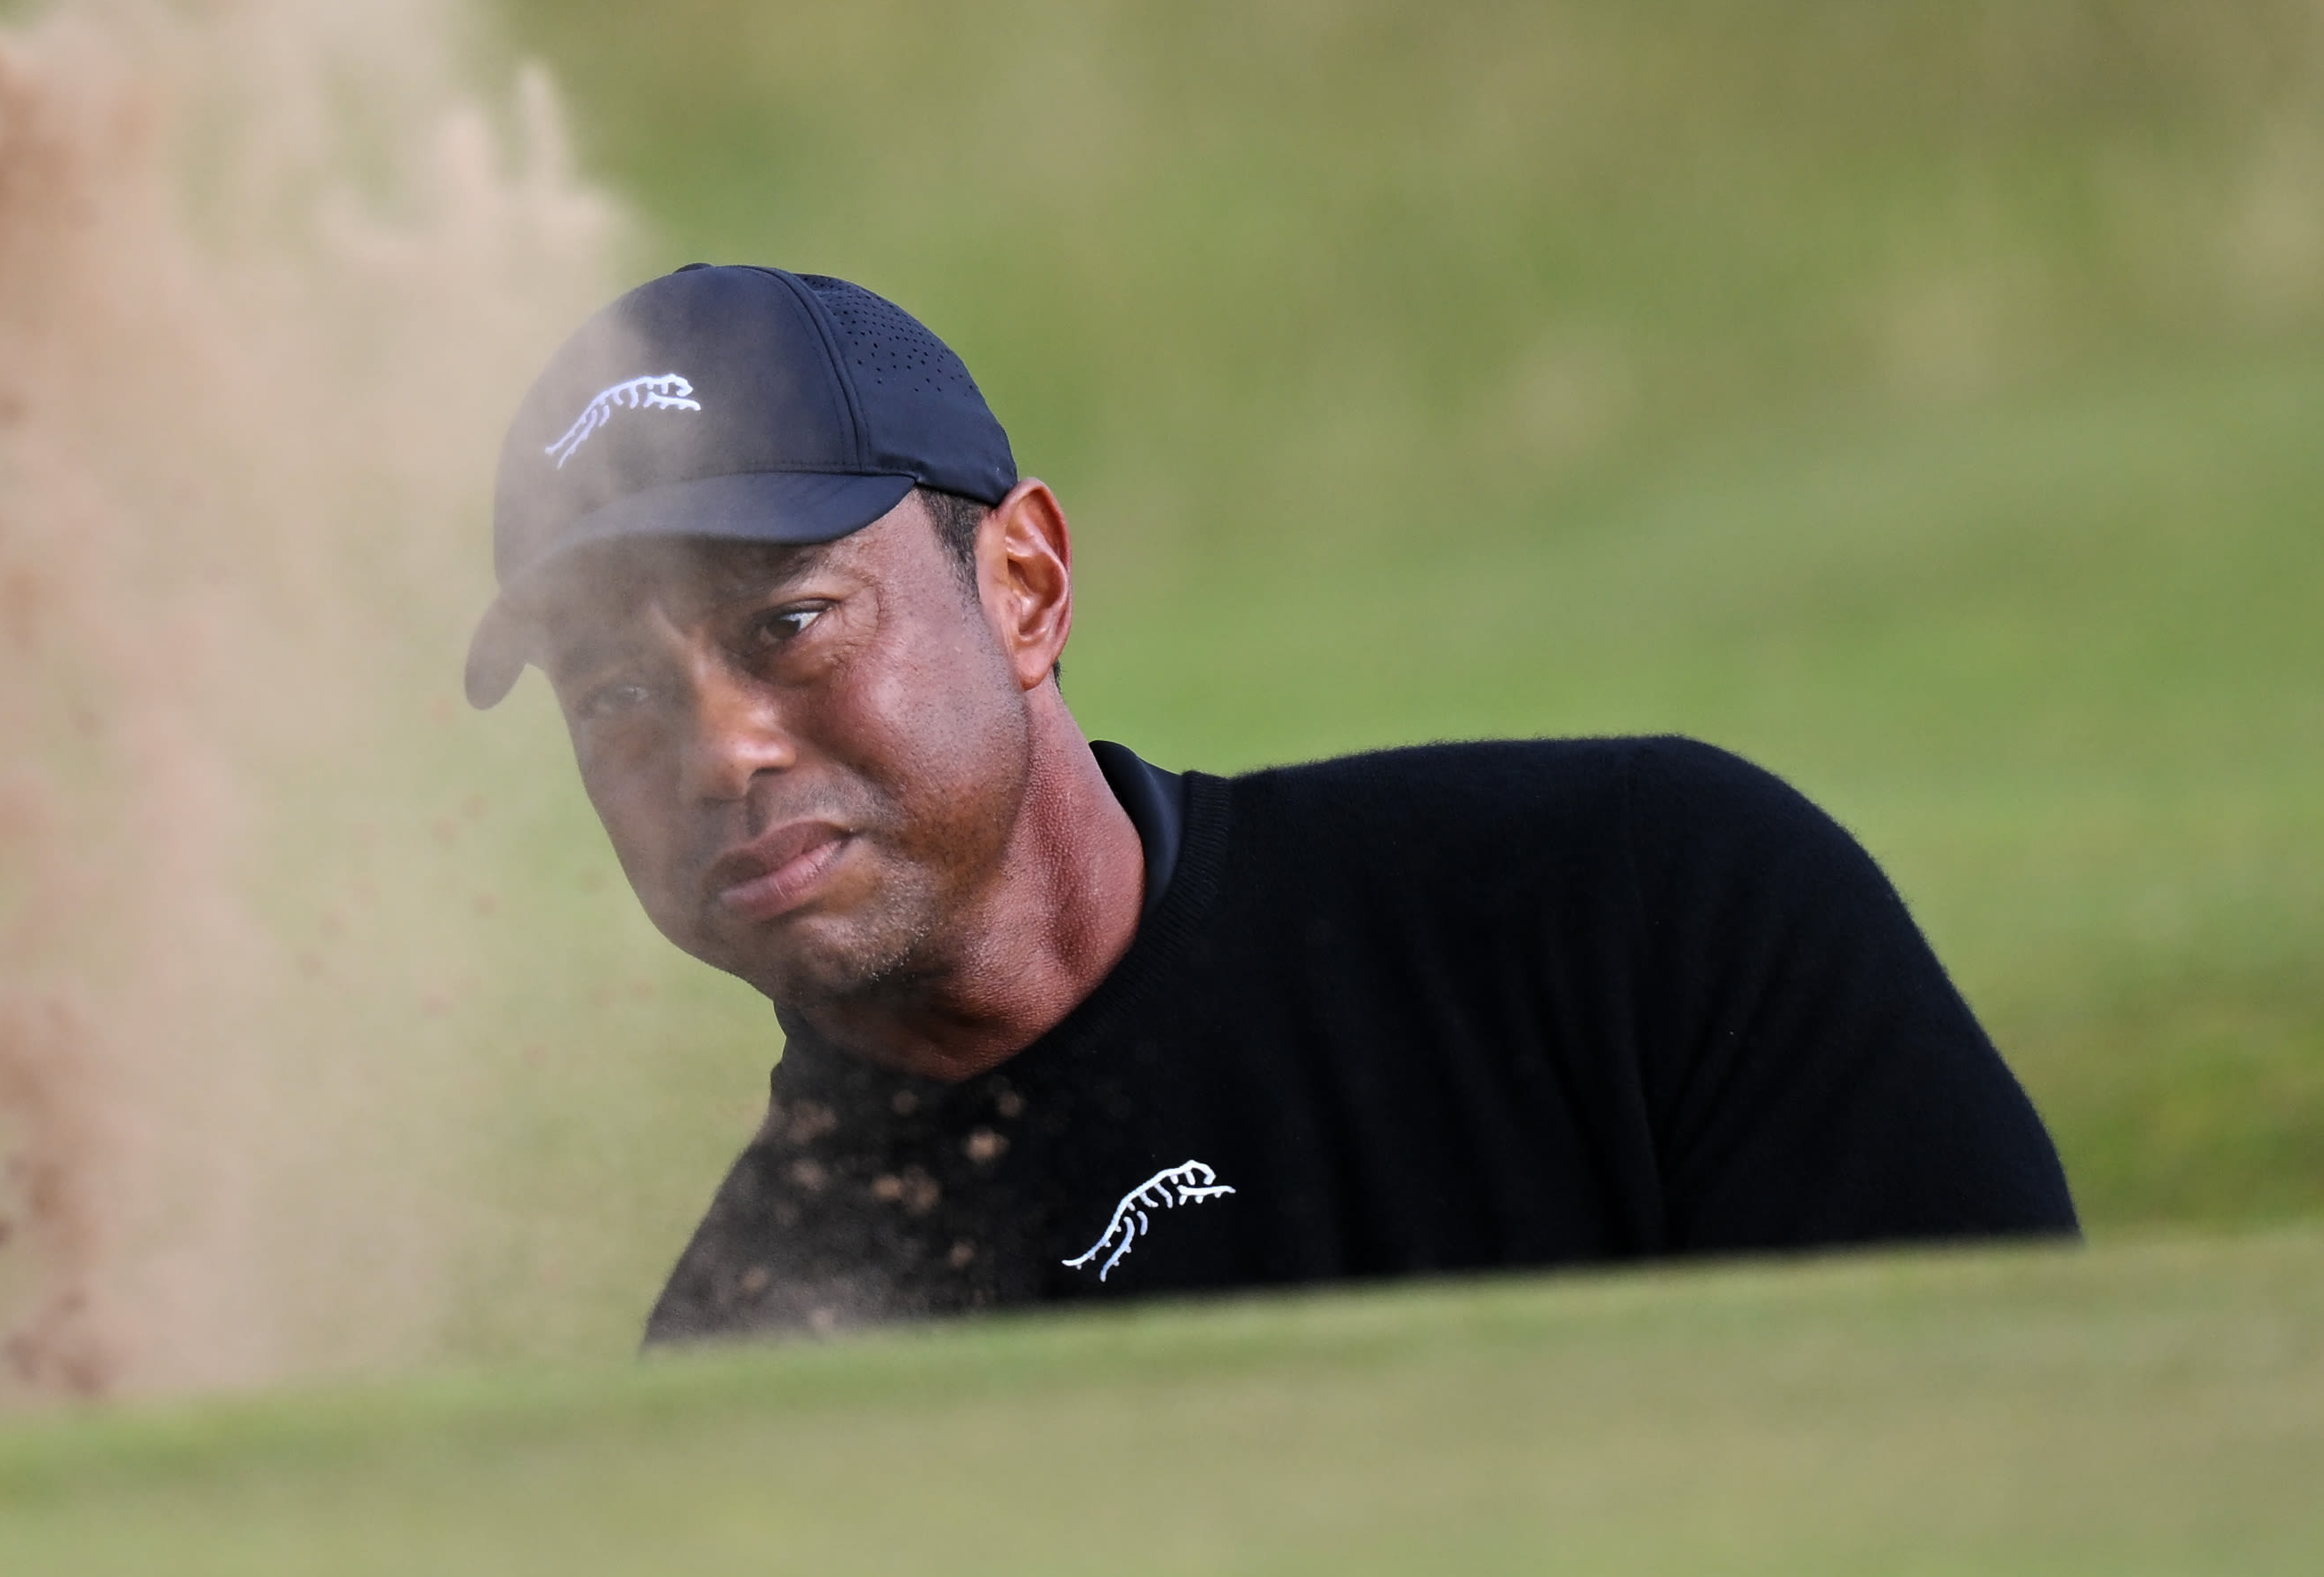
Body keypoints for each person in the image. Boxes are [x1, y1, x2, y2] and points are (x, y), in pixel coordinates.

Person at [462, 264, 2079, 1345]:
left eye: (787, 625)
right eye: (612, 694)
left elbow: (2017, 1481)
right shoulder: (767, 1340)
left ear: (1024, 584)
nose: (716, 748)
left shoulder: (1643, 912)